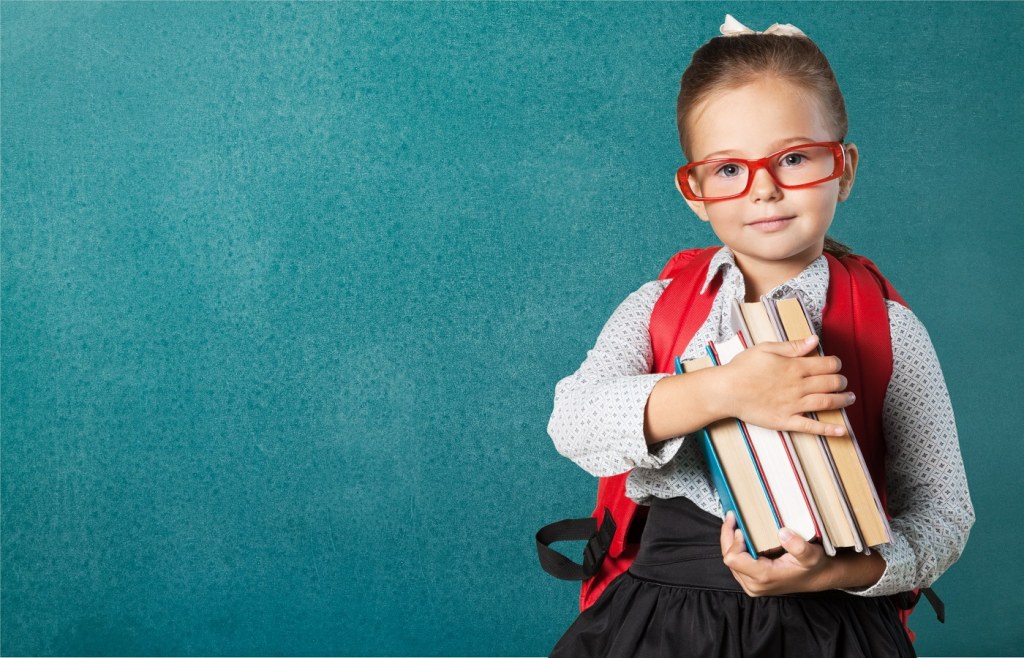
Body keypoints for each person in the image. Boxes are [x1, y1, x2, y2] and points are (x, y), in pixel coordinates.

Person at [546, 15, 974, 658]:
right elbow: (573, 423)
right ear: (694, 191)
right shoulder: (659, 306)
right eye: (727, 170)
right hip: (660, 616)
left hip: (830, 623)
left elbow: (944, 514)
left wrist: (837, 572)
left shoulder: (890, 330)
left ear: (844, 168)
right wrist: (726, 390)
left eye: (794, 158)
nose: (765, 189)